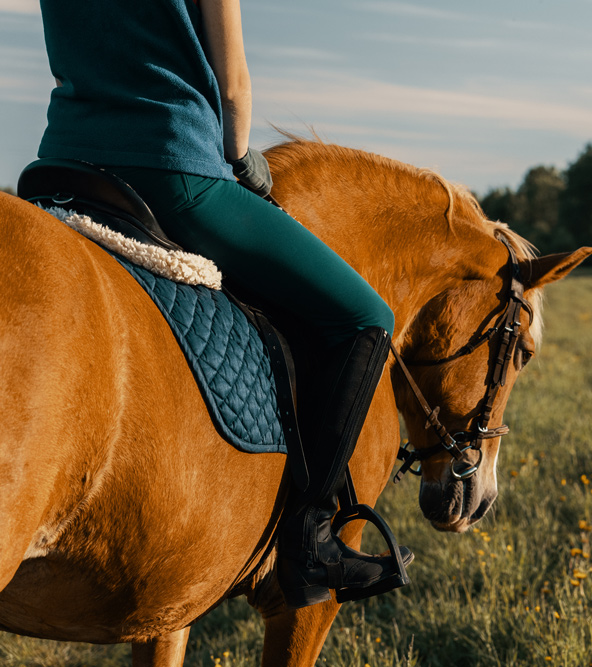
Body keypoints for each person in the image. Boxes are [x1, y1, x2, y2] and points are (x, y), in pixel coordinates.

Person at [36, 0, 411, 608]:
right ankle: (311, 545)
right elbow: (233, 90)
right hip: (170, 168)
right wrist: (243, 160)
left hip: (62, 164)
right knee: (366, 319)